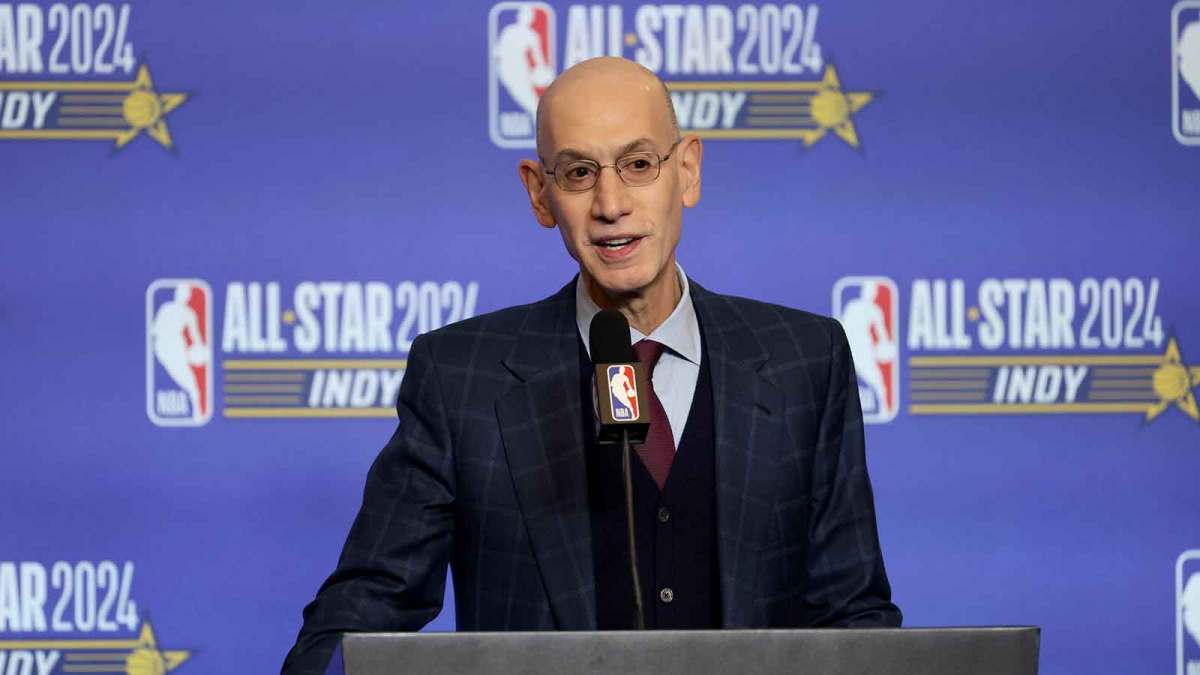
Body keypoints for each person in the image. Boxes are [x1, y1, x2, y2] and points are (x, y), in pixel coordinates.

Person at [282, 56, 900, 674]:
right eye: (579, 173)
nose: (611, 204)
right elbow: (355, 622)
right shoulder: (461, 378)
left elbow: (854, 618)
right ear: (539, 193)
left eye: (638, 165)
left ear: (686, 170)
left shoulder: (803, 360)